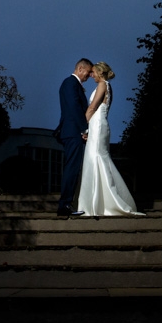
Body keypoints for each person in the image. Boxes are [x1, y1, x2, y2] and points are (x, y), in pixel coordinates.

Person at [77, 62, 144, 216]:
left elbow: (93, 107)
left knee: (97, 158)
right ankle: (96, 202)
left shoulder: (103, 85)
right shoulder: (103, 85)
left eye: (93, 72)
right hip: (95, 125)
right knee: (94, 159)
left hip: (98, 125)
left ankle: (103, 202)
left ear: (100, 72)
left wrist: (81, 126)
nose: (91, 75)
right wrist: (87, 128)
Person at [56, 58, 93, 216]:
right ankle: (64, 205)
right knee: (72, 168)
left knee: (73, 167)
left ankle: (67, 204)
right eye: (88, 71)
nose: (89, 75)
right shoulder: (70, 83)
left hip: (72, 132)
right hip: (73, 132)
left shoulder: (73, 84)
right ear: (80, 68)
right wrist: (84, 130)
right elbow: (73, 108)